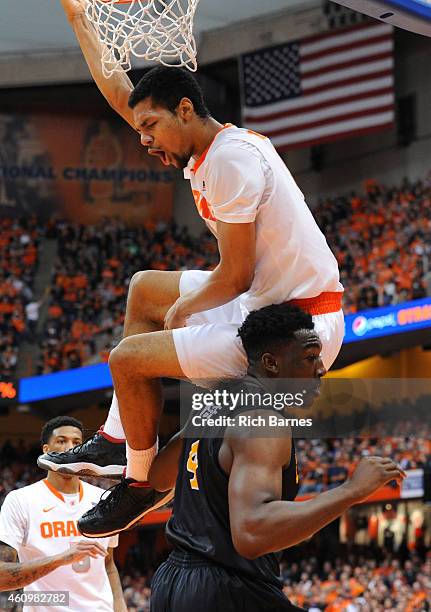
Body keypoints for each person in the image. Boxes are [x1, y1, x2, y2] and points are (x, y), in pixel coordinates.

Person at [38, 0, 344, 537]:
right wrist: (77, 18)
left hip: (295, 330)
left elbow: (237, 274)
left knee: (128, 361)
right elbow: (120, 94)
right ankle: (121, 448)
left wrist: (185, 309)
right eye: (140, 130)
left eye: (151, 125)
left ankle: (134, 480)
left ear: (185, 110)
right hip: (268, 306)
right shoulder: (207, 149)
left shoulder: (230, 161)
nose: (144, 139)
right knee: (143, 289)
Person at [147, 304, 405, 611]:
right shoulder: (263, 422)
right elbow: (252, 532)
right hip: (225, 589)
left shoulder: (215, 403)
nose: (322, 368)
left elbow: (158, 477)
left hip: (170, 583)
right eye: (310, 358)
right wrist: (352, 491)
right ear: (271, 363)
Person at [0, 417, 126, 612]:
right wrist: (63, 558)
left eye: (77, 443)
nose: (70, 448)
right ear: (46, 450)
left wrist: (121, 608)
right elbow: (2, 576)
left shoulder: (104, 498)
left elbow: (108, 564)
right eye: (61, 441)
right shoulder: (21, 500)